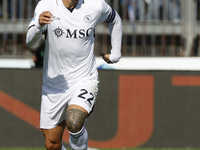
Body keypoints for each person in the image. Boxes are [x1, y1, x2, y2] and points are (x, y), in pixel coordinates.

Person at [26, 0, 122, 150]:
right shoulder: (47, 5)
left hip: (84, 79)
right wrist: (38, 25)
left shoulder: (95, 5)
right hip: (54, 86)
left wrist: (116, 53)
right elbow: (30, 43)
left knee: (74, 120)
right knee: (51, 144)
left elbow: (115, 19)